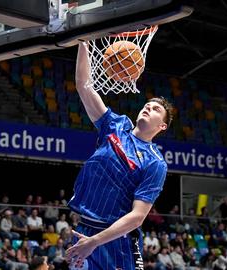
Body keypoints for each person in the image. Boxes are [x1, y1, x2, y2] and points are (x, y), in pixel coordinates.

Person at [65, 42, 173, 269]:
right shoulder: (116, 126)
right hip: (84, 230)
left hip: (117, 240)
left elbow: (137, 217)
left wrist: (95, 242)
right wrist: (83, 42)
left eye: (155, 110)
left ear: (162, 126)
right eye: (147, 105)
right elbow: (84, 86)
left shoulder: (155, 163)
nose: (148, 108)